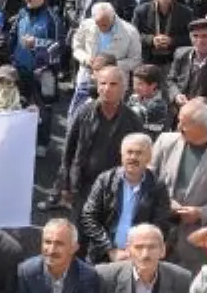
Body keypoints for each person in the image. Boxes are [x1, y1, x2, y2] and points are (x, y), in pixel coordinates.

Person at [149, 99, 207, 272]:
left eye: (183, 124)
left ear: (202, 127)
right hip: (158, 226)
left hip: (191, 241)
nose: (178, 127)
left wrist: (201, 213)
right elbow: (148, 176)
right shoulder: (165, 142)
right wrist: (164, 200)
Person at [59, 65, 144, 216]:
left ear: (123, 88)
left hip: (117, 189)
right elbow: (69, 150)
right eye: (103, 83)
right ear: (97, 86)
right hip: (83, 186)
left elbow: (140, 157)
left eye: (113, 84)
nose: (107, 88)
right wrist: (65, 184)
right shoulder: (83, 113)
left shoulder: (132, 120)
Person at [79, 134, 172, 264]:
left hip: (139, 259)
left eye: (139, 153)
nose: (133, 157)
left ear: (149, 157)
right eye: (129, 152)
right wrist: (110, 249)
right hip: (101, 255)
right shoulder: (105, 180)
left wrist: (136, 251)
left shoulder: (158, 187)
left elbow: (161, 225)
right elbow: (88, 217)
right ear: (122, 155)